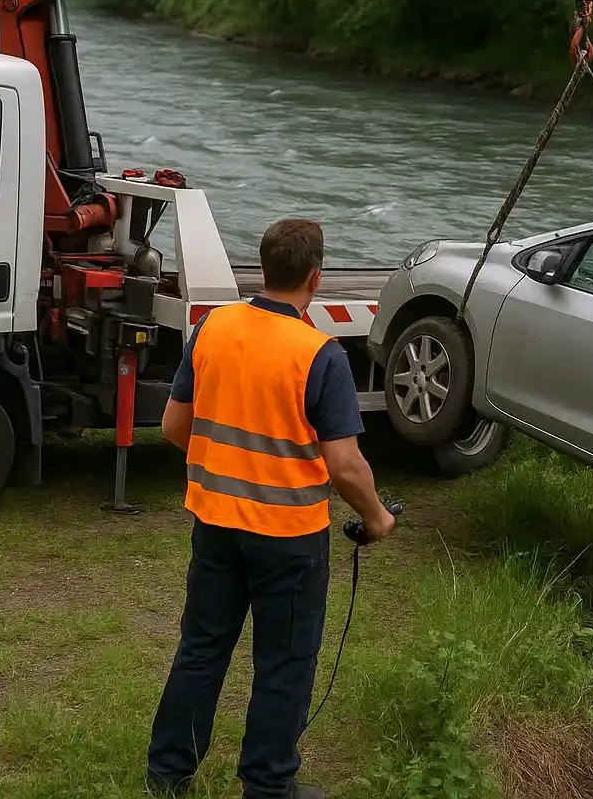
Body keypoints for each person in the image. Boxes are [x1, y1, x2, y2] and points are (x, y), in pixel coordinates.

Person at [147, 217, 398, 799]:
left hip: (214, 522)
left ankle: (167, 774)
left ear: (262, 268)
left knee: (203, 646)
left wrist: (229, 467)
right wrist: (379, 517)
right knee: (284, 664)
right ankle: (267, 785)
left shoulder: (212, 327)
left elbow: (173, 427)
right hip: (289, 537)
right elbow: (345, 464)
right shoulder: (320, 354)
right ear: (316, 277)